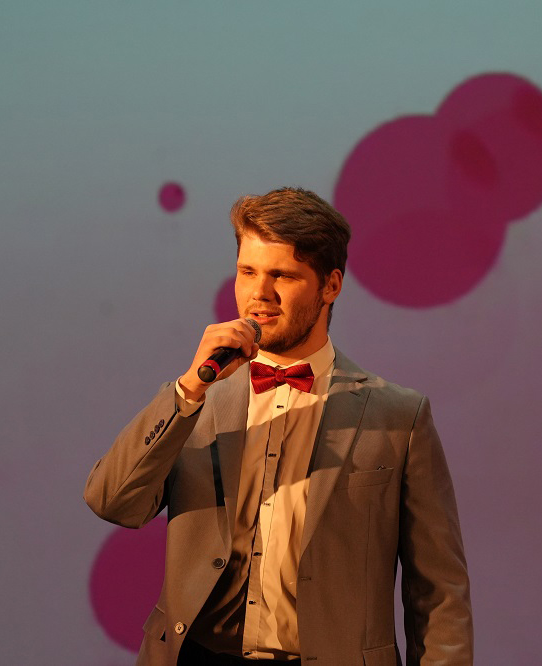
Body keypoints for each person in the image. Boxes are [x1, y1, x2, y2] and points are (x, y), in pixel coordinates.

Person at [84, 187, 473, 665]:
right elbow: (112, 501)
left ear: (331, 286)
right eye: (247, 271)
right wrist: (189, 389)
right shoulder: (196, 401)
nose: (259, 294)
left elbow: (439, 592)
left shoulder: (398, 417)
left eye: (282, 276)